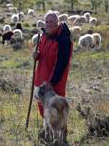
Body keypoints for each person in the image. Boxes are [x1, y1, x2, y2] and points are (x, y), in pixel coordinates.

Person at [33, 11, 73, 141]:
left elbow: (61, 63)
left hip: (55, 81)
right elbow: (41, 52)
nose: (49, 24)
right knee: (43, 106)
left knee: (56, 108)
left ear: (57, 22)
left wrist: (52, 81)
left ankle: (61, 137)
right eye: (47, 21)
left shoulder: (63, 39)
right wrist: (37, 55)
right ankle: (48, 133)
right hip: (41, 77)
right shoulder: (44, 35)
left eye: (51, 21)